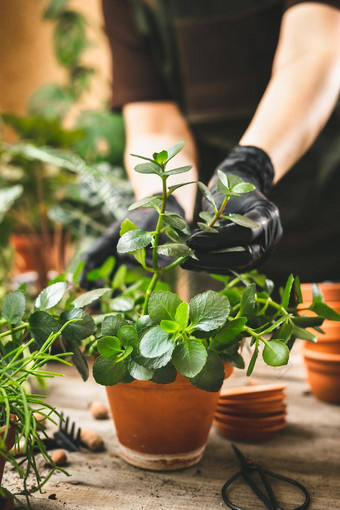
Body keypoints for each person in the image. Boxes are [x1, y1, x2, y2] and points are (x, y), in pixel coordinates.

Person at [80, 0, 340, 288]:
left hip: (329, 210)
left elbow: (313, 52)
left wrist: (251, 165)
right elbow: (156, 124)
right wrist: (163, 204)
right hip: (223, 244)